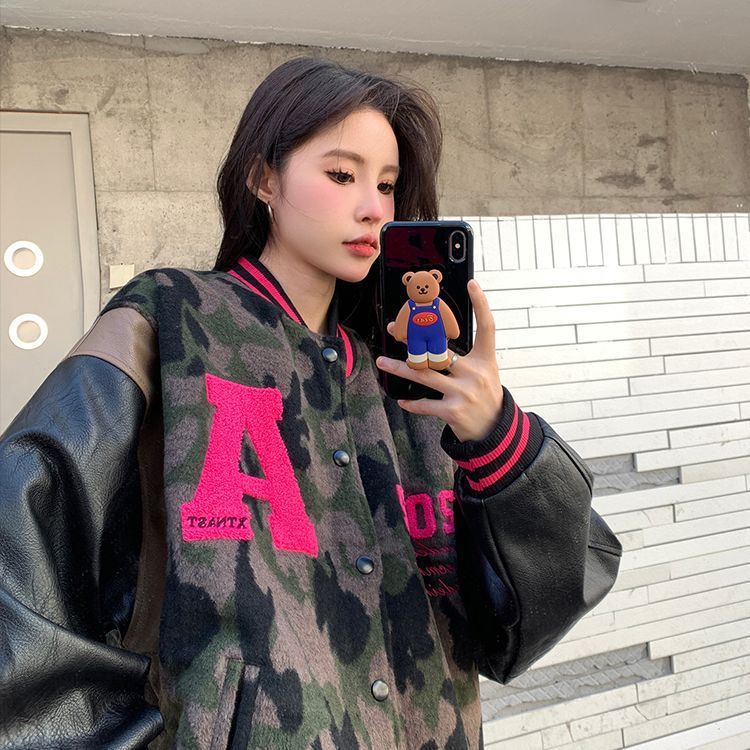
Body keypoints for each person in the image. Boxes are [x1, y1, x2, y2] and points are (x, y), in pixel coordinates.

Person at [0, 57, 621, 749]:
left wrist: (495, 436)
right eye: (342, 175)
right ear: (263, 178)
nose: (374, 208)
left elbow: (529, 618)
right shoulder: (173, 320)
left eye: (386, 184)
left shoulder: (408, 377)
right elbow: (23, 531)